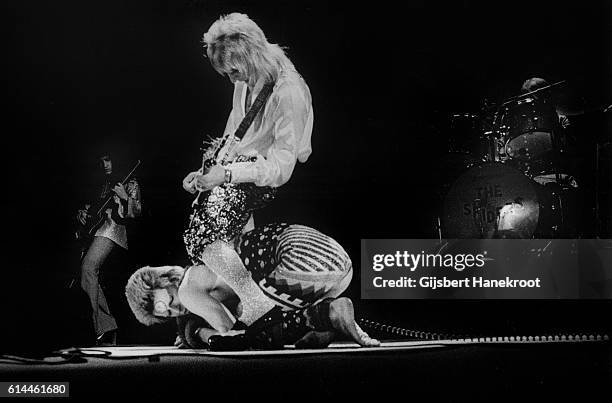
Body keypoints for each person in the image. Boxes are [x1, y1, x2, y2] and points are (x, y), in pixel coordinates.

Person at [180, 13, 315, 328]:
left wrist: (226, 176)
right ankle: (247, 307)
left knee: (203, 231)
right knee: (206, 217)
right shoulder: (247, 78)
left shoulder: (288, 91)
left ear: (251, 54)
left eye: (234, 70)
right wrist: (207, 171)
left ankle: (255, 301)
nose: (232, 79)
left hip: (265, 173)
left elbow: (282, 168)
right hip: (240, 168)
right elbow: (234, 133)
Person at [125, 223, 379, 350]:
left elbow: (232, 333)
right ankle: (326, 321)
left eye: (170, 302)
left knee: (259, 331)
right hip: (339, 267)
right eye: (169, 314)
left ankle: (330, 314)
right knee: (258, 308)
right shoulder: (206, 270)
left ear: (167, 280)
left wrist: (198, 335)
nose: (178, 308)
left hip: (302, 260)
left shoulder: (188, 289)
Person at [76, 152, 142, 345]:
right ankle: (106, 328)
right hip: (98, 229)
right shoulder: (103, 182)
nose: (105, 164)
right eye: (102, 160)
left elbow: (135, 214)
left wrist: (125, 198)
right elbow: (92, 207)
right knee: (85, 275)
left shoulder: (131, 182)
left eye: (109, 159)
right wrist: (83, 213)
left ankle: (100, 327)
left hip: (113, 230)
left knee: (88, 268)